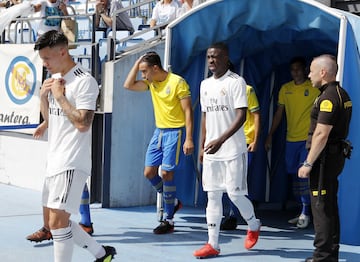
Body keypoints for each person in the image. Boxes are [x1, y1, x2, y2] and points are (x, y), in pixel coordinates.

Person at [34, 30, 116, 261]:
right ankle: (102, 254)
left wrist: (60, 97)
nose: (45, 64)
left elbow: (83, 123)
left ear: (62, 52)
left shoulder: (84, 81)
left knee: (58, 224)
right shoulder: (55, 80)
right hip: (54, 160)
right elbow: (52, 120)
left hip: (72, 161)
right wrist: (44, 97)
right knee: (55, 221)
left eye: (47, 58)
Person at [193, 42, 261, 259]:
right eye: (209, 57)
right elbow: (204, 116)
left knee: (235, 194)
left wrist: (221, 139)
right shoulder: (204, 85)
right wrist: (202, 145)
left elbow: (242, 115)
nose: (212, 60)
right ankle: (213, 244)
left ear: (226, 58)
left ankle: (253, 223)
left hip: (233, 149)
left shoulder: (236, 82)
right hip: (212, 151)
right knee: (212, 195)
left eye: (216, 56)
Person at [124, 51, 194, 234]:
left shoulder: (177, 82)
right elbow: (128, 85)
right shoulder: (151, 83)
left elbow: (188, 112)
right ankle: (173, 201)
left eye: (145, 71)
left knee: (166, 173)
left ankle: (169, 220)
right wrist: (138, 61)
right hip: (159, 132)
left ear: (155, 68)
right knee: (149, 173)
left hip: (175, 133)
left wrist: (189, 138)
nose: (143, 75)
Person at [298, 54, 352, 262]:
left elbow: (322, 133)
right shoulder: (341, 93)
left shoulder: (328, 97)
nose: (308, 75)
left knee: (321, 207)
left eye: (311, 70)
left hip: (323, 160)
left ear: (323, 72)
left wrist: (308, 162)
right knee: (329, 205)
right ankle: (330, 254)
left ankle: (321, 257)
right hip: (334, 157)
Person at [265, 56, 320, 229]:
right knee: (293, 175)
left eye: (298, 68)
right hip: (290, 139)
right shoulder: (285, 88)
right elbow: (279, 114)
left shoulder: (313, 89)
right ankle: (302, 210)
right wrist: (269, 135)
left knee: (304, 176)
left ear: (305, 70)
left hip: (307, 140)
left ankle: (306, 212)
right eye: (292, 69)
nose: (295, 72)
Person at [26, 121, 94, 243]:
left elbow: (81, 118)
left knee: (75, 184)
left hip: (72, 149)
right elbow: (56, 112)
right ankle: (84, 225)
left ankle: (51, 229)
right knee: (60, 184)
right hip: (58, 149)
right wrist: (45, 123)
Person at [221, 84, 261, 230]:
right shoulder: (216, 90)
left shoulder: (247, 90)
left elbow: (256, 115)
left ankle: (235, 216)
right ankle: (234, 213)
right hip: (226, 142)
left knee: (237, 181)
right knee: (225, 181)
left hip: (244, 142)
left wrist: (256, 140)